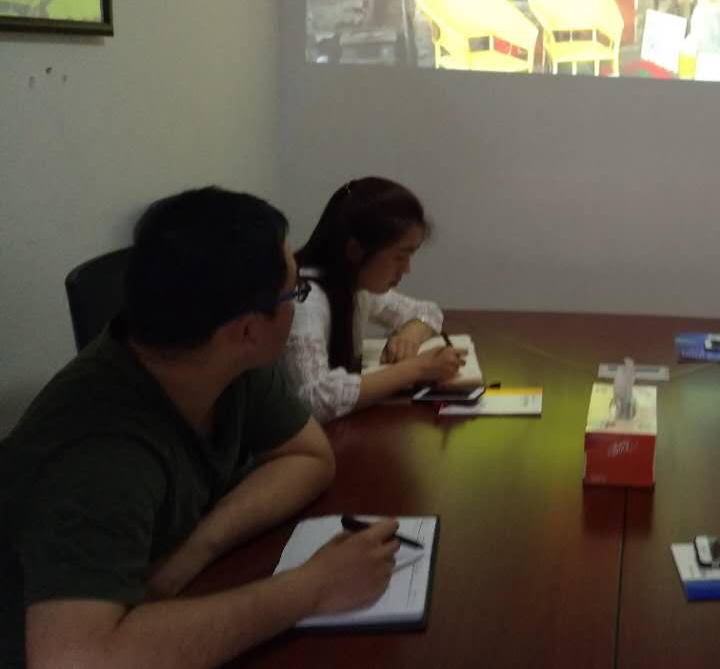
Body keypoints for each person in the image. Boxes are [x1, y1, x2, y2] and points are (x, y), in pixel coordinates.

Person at [0, 188, 401, 669]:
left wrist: (197, 547)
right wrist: (310, 589)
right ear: (248, 329)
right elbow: (74, 658)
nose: (298, 303)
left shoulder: (220, 355)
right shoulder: (99, 454)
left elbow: (308, 456)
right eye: (294, 292)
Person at [281, 177, 464, 423]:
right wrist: (417, 368)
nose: (407, 269)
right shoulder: (306, 300)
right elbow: (314, 399)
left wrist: (410, 335)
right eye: (400, 257)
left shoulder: (356, 287)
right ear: (355, 250)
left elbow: (426, 311)